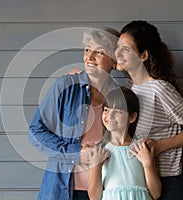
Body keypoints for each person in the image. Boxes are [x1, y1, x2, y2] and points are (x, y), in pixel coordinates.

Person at [115, 20, 183, 200]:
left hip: (168, 185)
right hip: (140, 182)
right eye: (118, 46)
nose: (118, 52)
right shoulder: (132, 88)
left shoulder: (159, 88)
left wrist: (159, 146)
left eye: (126, 49)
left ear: (143, 56)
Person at [28, 27, 120, 200]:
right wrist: (75, 153)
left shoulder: (121, 97)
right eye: (87, 50)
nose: (89, 57)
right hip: (63, 190)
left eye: (99, 52)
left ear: (114, 60)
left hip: (107, 190)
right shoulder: (65, 86)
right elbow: (36, 132)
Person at [88, 87, 161, 200]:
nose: (110, 116)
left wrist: (148, 164)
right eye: (106, 110)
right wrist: (96, 167)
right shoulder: (100, 150)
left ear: (132, 117)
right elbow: (94, 197)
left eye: (117, 111)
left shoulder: (141, 149)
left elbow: (156, 194)